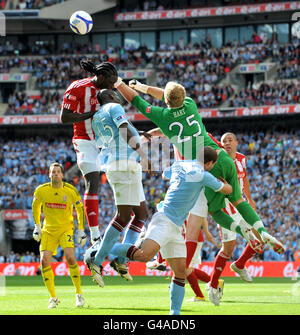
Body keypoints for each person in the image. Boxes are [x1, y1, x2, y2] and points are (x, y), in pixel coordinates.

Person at [114, 78, 284, 261]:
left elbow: (136, 100)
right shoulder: (190, 104)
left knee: (216, 212)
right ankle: (263, 230)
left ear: (167, 101)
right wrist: (143, 87)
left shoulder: (162, 116)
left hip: (205, 167)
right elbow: (167, 95)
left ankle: (241, 229)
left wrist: (118, 83)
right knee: (238, 200)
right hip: (222, 156)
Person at [85, 146, 233, 315]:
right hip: (165, 220)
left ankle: (174, 315)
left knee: (180, 272)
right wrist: (226, 184)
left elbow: (165, 174)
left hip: (175, 227)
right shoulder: (204, 175)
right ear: (209, 164)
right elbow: (227, 190)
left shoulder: (181, 164)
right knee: (144, 255)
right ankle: (98, 249)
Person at [86, 89, 150, 287]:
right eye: (115, 93)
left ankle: (120, 261)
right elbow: (123, 129)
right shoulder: (114, 107)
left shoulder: (96, 118)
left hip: (119, 163)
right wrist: (143, 152)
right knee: (123, 216)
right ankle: (96, 260)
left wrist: (138, 136)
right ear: (111, 97)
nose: (118, 95)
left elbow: (112, 137)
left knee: (141, 214)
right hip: (124, 164)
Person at [60, 60, 118, 244]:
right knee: (92, 181)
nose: (112, 87)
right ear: (100, 77)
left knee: (123, 178)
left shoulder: (108, 90)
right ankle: (95, 236)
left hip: (105, 141)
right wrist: (92, 115)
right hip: (84, 140)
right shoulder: (77, 87)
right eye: (109, 83)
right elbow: (64, 117)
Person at [32, 162, 87, 309]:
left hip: (65, 229)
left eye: (58, 172)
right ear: (49, 174)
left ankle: (78, 294)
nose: (56, 174)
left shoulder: (71, 191)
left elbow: (80, 210)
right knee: (44, 261)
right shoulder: (41, 191)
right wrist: (37, 226)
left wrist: (81, 230)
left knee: (70, 257)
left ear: (62, 175)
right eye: (53, 172)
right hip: (48, 230)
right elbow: (35, 207)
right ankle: (53, 298)